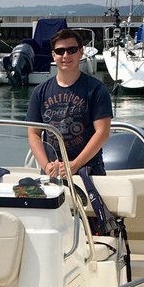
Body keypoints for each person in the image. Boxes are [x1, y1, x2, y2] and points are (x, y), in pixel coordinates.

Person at [26, 27, 113, 180]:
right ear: (53, 55)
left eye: (72, 50)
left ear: (81, 52)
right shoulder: (40, 92)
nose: (65, 55)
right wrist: (46, 166)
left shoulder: (97, 90)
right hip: (52, 172)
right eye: (60, 51)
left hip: (88, 172)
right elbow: (33, 134)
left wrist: (75, 165)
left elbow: (102, 132)